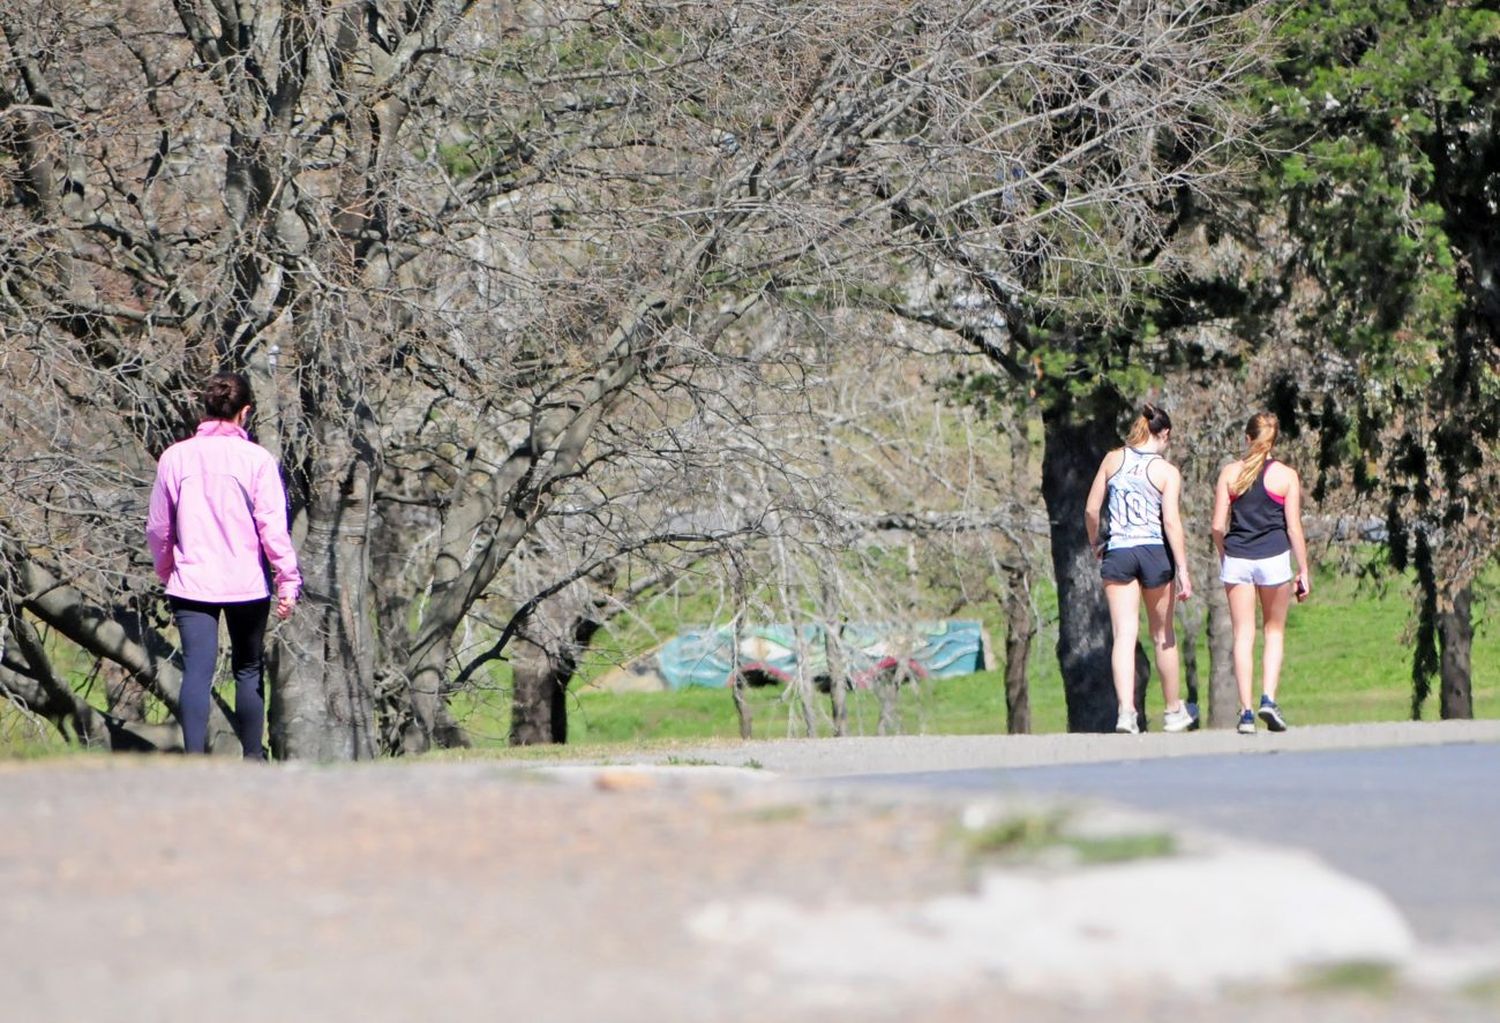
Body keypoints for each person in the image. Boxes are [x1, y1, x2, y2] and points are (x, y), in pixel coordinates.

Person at [146, 372, 300, 758]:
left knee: (197, 670)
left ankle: (196, 760)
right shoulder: (258, 460)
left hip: (191, 581)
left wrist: (167, 569)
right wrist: (287, 581)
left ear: (206, 409)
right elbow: (272, 528)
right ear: (244, 412)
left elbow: (159, 527)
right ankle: (252, 759)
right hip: (246, 582)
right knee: (248, 670)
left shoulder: (175, 457)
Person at [1084, 402, 1196, 734]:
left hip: (1118, 550)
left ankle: (1126, 712)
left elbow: (1092, 510)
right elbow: (1171, 523)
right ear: (1165, 434)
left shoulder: (1113, 459)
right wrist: (1183, 569)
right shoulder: (1166, 471)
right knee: (1163, 635)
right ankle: (1173, 710)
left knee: (1123, 634)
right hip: (1153, 551)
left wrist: (1096, 544)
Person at [1211, 411, 1310, 734]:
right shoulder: (1285, 476)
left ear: (1247, 438)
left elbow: (1216, 526)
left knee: (1243, 635)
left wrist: (1225, 553)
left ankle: (1246, 712)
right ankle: (1268, 697)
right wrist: (1304, 569)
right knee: (1274, 631)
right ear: (1273, 442)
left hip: (1238, 559)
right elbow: (1293, 527)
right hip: (1274, 559)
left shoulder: (1230, 473)